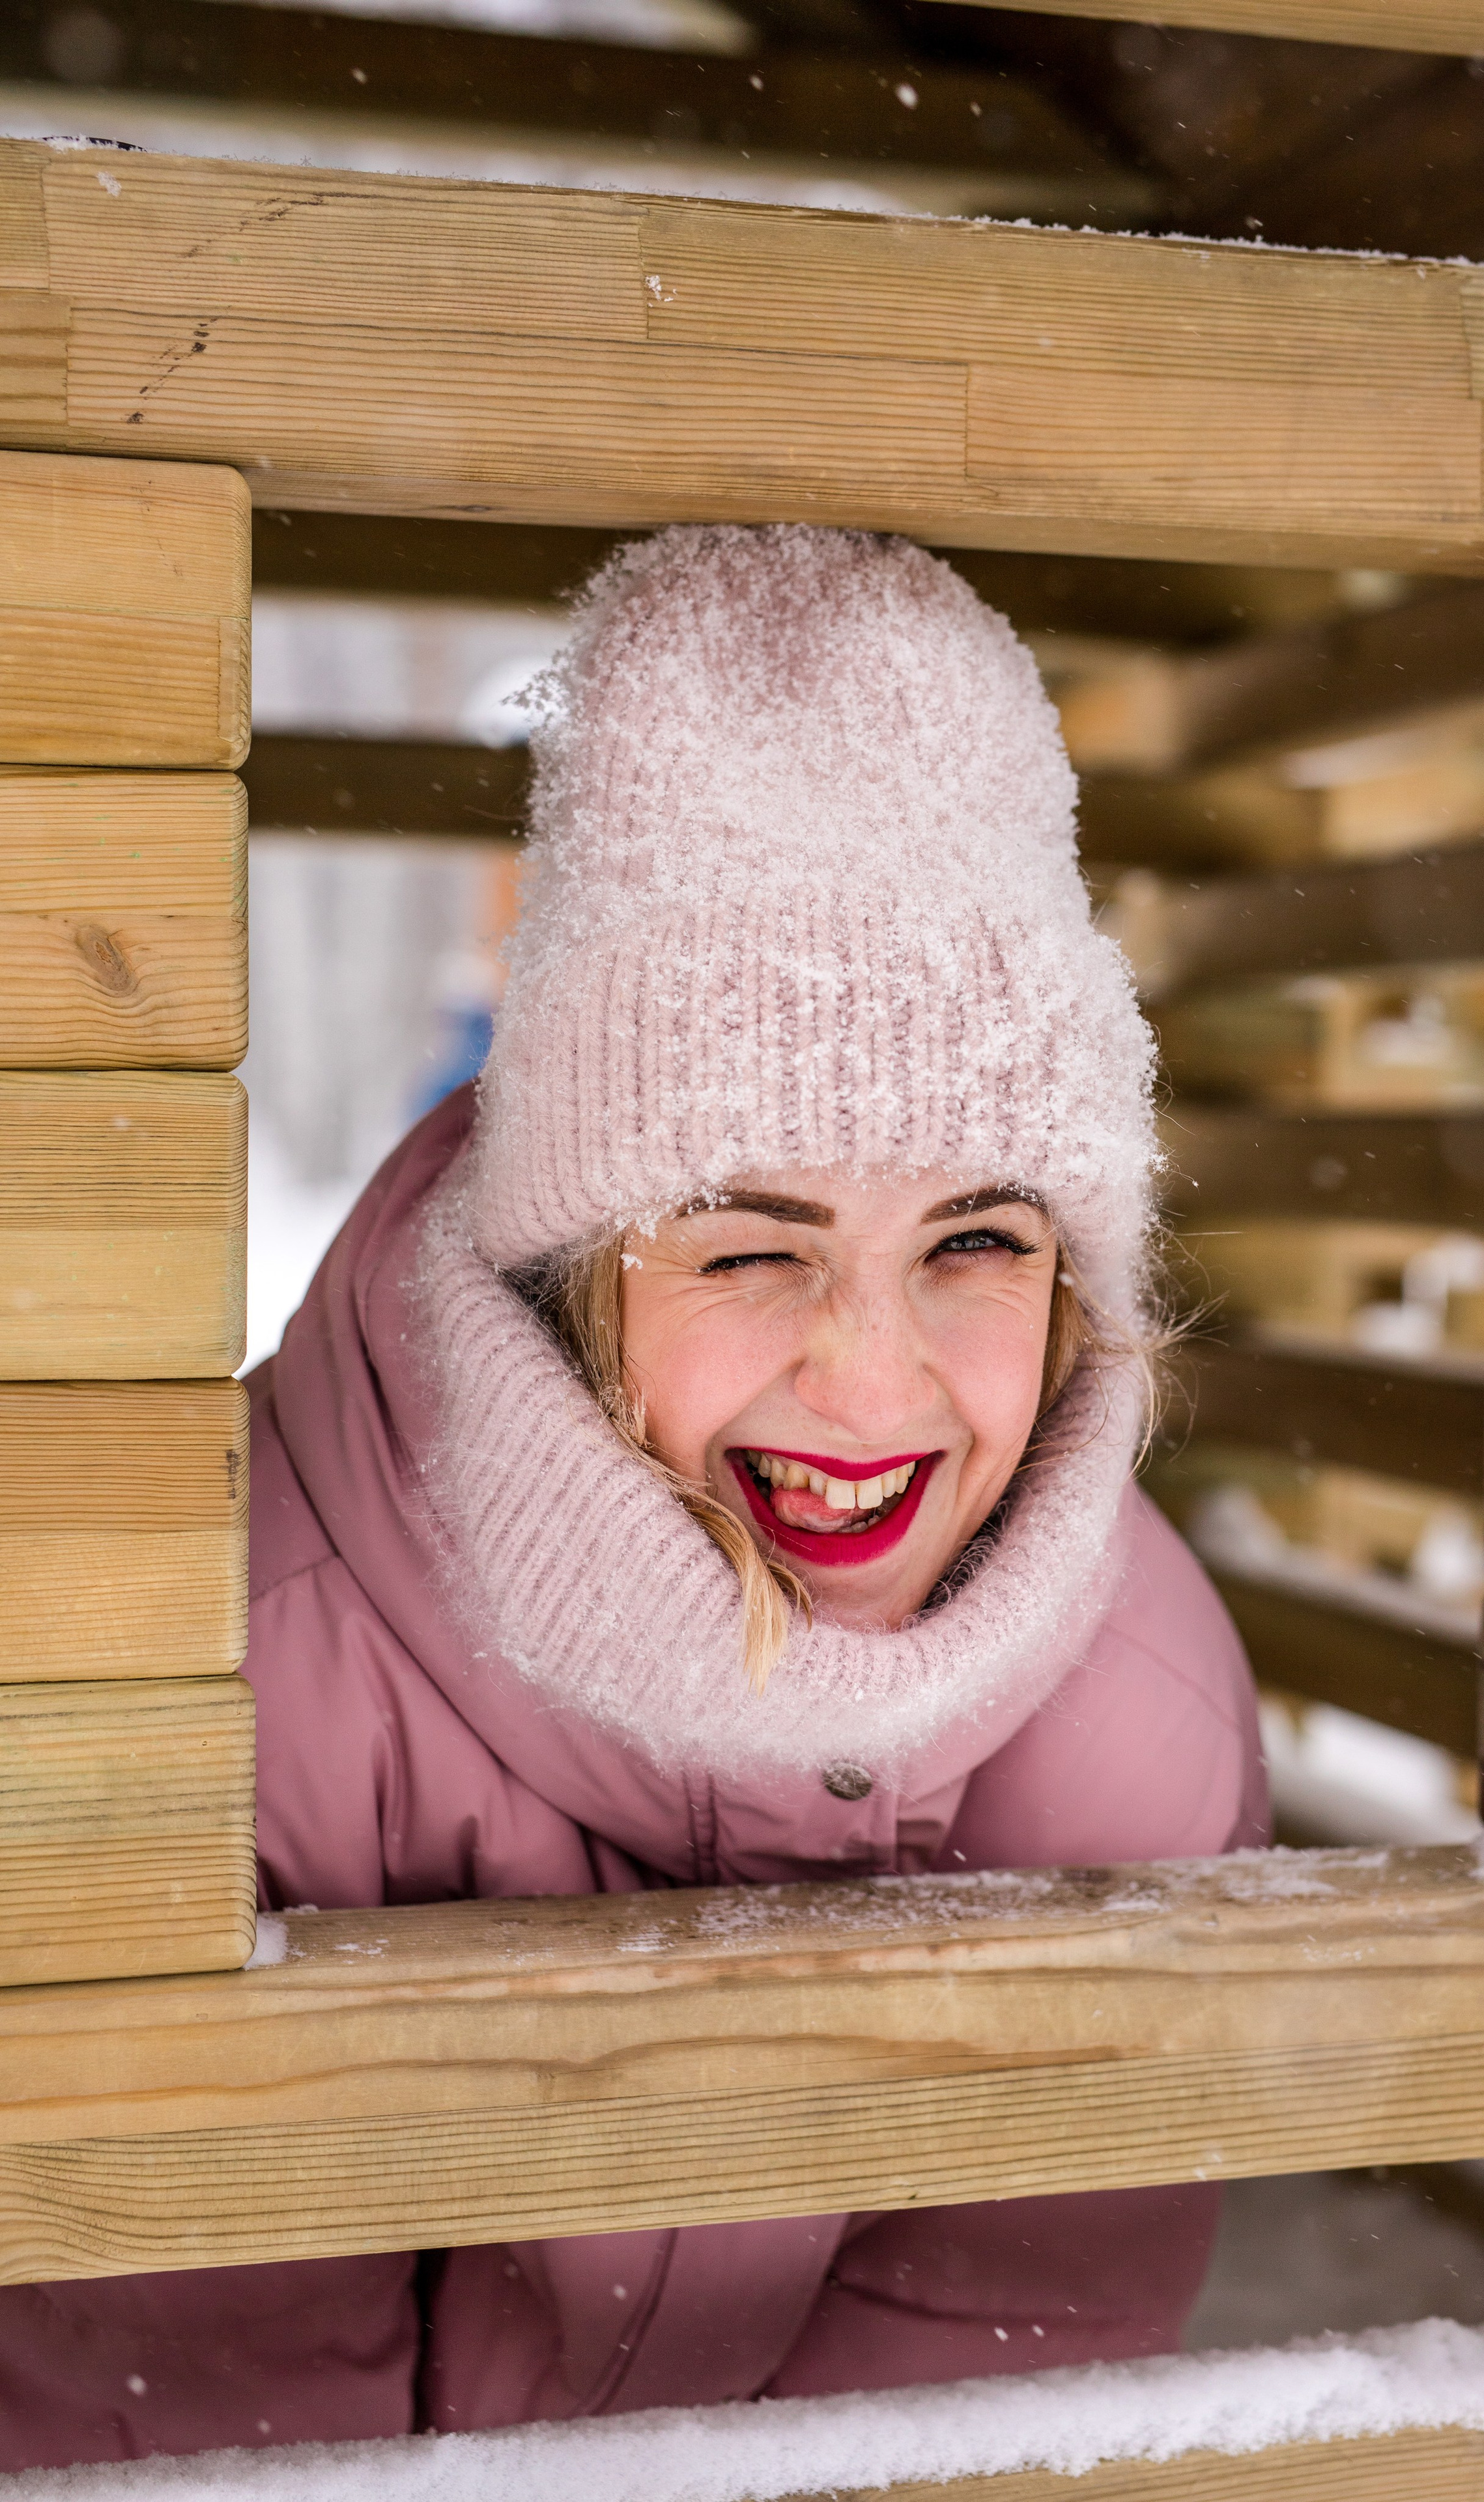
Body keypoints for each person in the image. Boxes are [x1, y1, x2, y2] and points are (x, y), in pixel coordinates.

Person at [0, 526, 1266, 2465]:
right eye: (751, 1246)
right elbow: (202, 2392)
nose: (873, 1374)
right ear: (573, 1270)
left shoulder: (1136, 1714)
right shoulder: (254, 1669)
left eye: (981, 1240)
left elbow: (993, 2367)